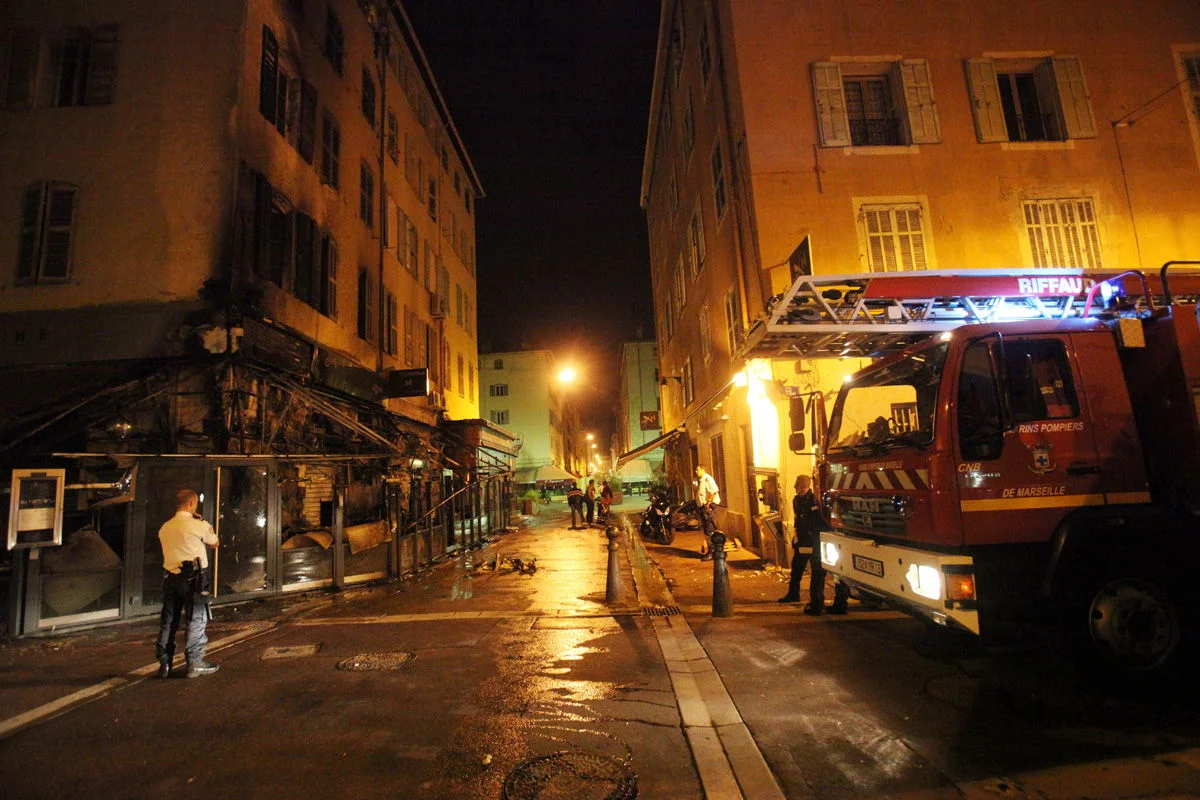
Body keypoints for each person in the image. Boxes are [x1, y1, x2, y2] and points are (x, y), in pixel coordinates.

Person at [156, 488, 220, 678]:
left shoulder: (165, 527)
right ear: (192, 503)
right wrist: (202, 522)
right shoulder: (196, 525)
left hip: (171, 578)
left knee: (169, 621)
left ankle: (164, 663)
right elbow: (214, 542)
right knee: (196, 619)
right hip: (195, 580)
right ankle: (195, 662)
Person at [779, 475, 818, 603]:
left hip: (812, 539)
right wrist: (796, 536)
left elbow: (814, 520)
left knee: (816, 571)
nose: (796, 487)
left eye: (798, 485)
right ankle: (793, 594)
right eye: (796, 485)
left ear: (805, 486)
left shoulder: (814, 500)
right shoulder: (796, 500)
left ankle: (815, 599)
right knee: (796, 569)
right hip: (801, 538)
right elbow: (797, 519)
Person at [694, 465, 721, 560]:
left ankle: (712, 552)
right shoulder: (701, 480)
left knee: (710, 529)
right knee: (707, 529)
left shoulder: (708, 479)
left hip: (708, 508)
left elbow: (714, 492)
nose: (695, 471)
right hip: (703, 508)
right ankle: (712, 550)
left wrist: (708, 504)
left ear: (703, 469)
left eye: (697, 469)